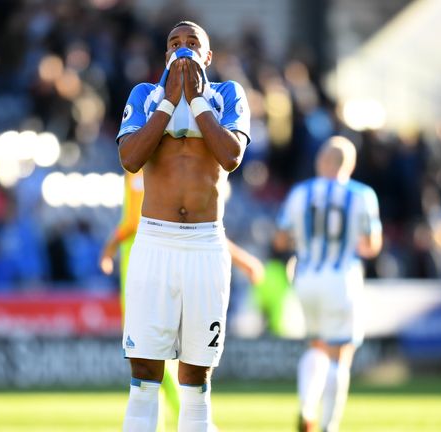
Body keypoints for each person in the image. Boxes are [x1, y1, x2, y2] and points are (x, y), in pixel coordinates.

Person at [114, 20, 251, 431]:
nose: (184, 48)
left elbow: (231, 157)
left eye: (193, 43)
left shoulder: (227, 94)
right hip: (155, 241)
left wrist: (196, 101)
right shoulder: (145, 95)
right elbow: (130, 158)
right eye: (176, 42)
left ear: (208, 56)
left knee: (195, 379)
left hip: (206, 247)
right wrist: (169, 103)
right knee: (144, 377)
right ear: (166, 54)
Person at [99, 169, 264, 431]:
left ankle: (191, 420)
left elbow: (132, 220)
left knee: (148, 361)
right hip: (168, 266)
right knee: (175, 362)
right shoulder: (165, 169)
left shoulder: (142, 165)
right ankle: (189, 421)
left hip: (143, 271)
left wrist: (108, 249)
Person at [274, 136, 382, 432]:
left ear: (322, 162)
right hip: (342, 277)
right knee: (340, 353)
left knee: (316, 344)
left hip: (306, 276)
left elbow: (281, 239)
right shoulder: (362, 194)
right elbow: (372, 245)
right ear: (350, 164)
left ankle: (307, 407)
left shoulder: (301, 192)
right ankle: (328, 425)